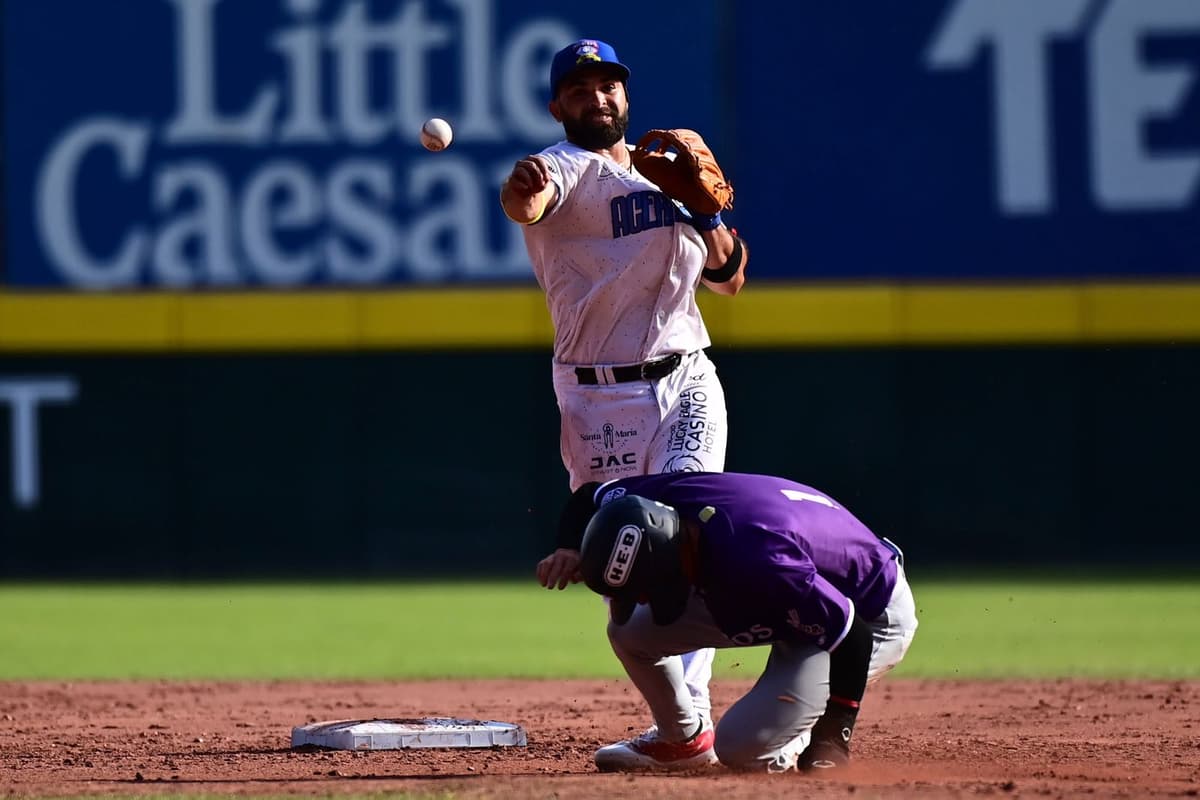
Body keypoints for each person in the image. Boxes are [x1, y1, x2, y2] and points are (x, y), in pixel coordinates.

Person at [504, 37, 749, 727]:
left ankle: (688, 717)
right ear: (559, 107)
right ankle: (676, 709)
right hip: (595, 396)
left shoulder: (665, 173)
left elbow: (729, 279)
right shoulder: (564, 166)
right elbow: (528, 199)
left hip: (686, 376)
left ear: (626, 95)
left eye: (607, 84)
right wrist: (522, 191)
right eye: (580, 89)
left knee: (685, 530)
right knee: (626, 556)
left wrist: (707, 214)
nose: (597, 96)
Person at [538, 470, 919, 773]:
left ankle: (793, 740)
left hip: (870, 615)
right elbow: (591, 495)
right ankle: (681, 739)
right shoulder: (662, 504)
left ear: (663, 567)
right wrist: (569, 546)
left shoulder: (758, 560)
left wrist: (834, 734)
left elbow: (851, 635)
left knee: (742, 750)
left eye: (640, 588)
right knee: (630, 632)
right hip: (790, 594)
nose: (639, 599)